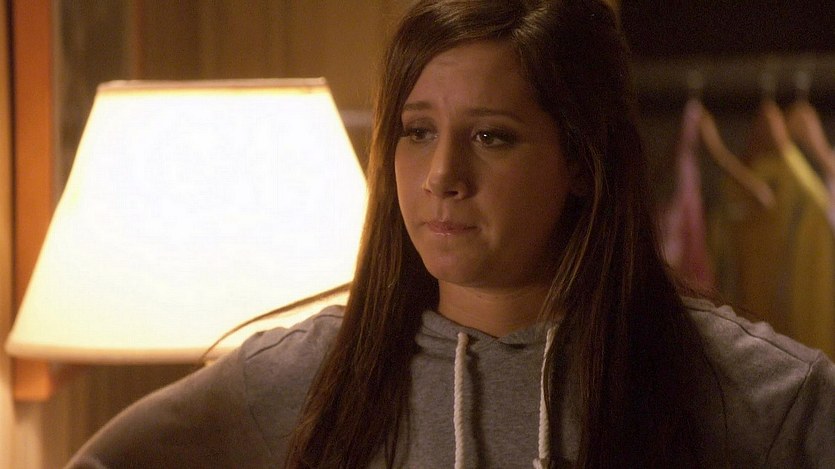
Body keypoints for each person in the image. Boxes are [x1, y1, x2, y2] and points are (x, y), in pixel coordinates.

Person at [67, 0, 835, 468]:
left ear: (580, 160)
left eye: (491, 136)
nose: (441, 175)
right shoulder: (307, 375)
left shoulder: (744, 385)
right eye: (416, 131)